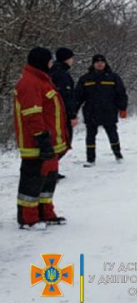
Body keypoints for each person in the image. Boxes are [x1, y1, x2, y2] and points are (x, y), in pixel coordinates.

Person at [14, 47, 70, 229]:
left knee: (48, 178)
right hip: (35, 143)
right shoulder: (30, 83)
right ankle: (28, 217)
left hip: (49, 142)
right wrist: (42, 138)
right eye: (49, 61)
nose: (52, 64)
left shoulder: (42, 80)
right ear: (41, 62)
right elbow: (32, 115)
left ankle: (45, 211)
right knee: (33, 179)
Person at [75, 54, 128, 166]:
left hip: (109, 111)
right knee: (90, 136)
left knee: (113, 134)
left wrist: (122, 108)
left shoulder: (113, 77)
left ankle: (118, 155)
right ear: (93, 64)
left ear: (105, 63)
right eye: (97, 62)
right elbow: (78, 97)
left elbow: (121, 94)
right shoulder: (85, 78)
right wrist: (73, 112)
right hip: (91, 112)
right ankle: (90, 159)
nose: (100, 64)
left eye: (102, 62)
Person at [49, 47, 79, 179]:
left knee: (57, 142)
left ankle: (51, 169)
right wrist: (72, 114)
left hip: (53, 113)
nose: (72, 61)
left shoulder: (52, 72)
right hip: (61, 114)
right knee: (63, 142)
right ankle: (48, 170)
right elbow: (66, 96)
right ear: (67, 59)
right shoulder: (61, 75)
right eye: (71, 58)